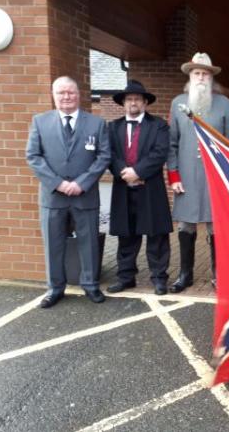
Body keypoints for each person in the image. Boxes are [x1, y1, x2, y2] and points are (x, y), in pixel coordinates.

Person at [26, 76, 110, 308]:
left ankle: (91, 285)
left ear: (78, 94)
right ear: (54, 95)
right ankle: (55, 288)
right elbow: (33, 156)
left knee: (89, 243)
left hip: (85, 196)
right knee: (53, 245)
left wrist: (82, 182)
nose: (66, 97)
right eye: (61, 93)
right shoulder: (40, 122)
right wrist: (58, 183)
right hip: (53, 197)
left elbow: (104, 156)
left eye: (70, 92)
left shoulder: (96, 124)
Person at [167, 52, 229, 292]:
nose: (201, 77)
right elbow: (172, 143)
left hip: (215, 178)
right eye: (196, 73)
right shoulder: (178, 103)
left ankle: (219, 274)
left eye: (205, 74)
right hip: (186, 178)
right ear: (190, 76)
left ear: (211, 78)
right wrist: (174, 176)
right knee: (186, 227)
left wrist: (228, 178)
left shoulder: (224, 104)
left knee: (215, 227)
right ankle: (185, 274)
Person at [106, 80, 173, 295]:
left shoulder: (159, 125)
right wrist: (124, 173)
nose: (133, 102)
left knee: (157, 236)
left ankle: (159, 278)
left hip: (150, 187)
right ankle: (126, 278)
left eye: (137, 99)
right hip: (123, 188)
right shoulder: (112, 127)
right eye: (129, 99)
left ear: (145, 102)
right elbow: (109, 155)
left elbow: (160, 152)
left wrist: (138, 172)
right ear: (123, 103)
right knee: (126, 236)